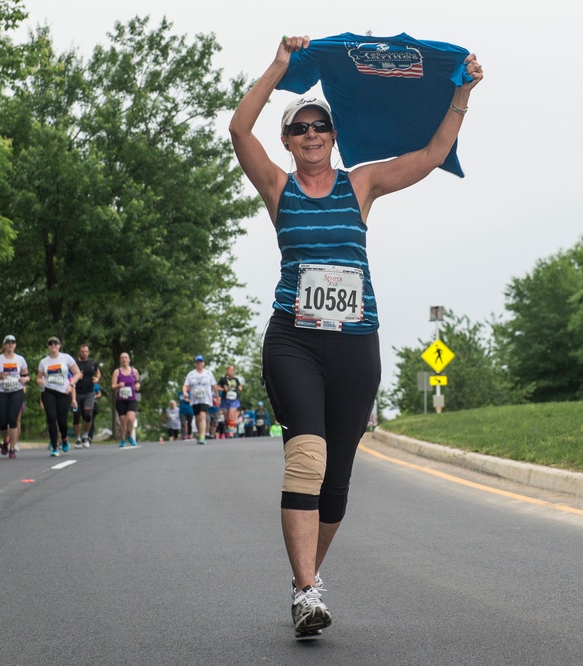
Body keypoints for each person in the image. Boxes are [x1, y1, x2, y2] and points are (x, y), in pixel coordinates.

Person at [229, 35, 482, 638]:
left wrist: (462, 93)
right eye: (301, 128)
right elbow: (240, 130)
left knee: (337, 477)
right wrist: (281, 66)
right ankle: (306, 589)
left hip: (354, 343)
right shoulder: (277, 187)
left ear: (333, 136)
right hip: (294, 338)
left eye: (321, 126)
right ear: (288, 142)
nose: (312, 134)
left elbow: (431, 152)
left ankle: (307, 581)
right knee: (307, 455)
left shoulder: (361, 184)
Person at [37, 337, 82, 456]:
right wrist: (40, 381)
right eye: (50, 344)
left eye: (55, 344)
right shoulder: (43, 362)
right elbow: (39, 377)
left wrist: (71, 385)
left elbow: (77, 373)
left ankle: (64, 438)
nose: (53, 346)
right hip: (48, 391)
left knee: (62, 421)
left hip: (64, 392)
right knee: (51, 418)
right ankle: (55, 447)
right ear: (48, 346)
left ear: (59, 346)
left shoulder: (66, 358)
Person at [0, 334, 30, 459]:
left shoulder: (20, 359)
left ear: (15, 345)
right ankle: (5, 440)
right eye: (8, 343)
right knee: (2, 421)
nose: (10, 345)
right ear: (4, 345)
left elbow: (27, 376)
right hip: (2, 392)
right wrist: (0, 377)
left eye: (12, 343)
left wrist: (25, 380)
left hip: (16, 391)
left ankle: (12, 448)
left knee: (13, 419)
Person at [182, 355, 216, 445]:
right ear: (195, 364)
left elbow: (214, 385)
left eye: (201, 362)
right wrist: (185, 392)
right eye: (197, 362)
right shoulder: (191, 374)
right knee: (197, 418)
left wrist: (217, 396)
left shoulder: (208, 373)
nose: (199, 364)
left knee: (202, 416)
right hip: (195, 399)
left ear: (203, 363)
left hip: (205, 398)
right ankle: (199, 433)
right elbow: (185, 385)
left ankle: (202, 436)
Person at [72, 344, 102, 448]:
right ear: (79, 352)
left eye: (86, 351)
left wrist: (97, 378)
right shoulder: (74, 363)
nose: (84, 353)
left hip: (89, 392)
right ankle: (77, 438)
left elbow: (98, 372)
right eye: (82, 352)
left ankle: (85, 435)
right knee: (76, 416)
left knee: (88, 414)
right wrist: (77, 376)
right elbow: (69, 375)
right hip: (76, 392)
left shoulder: (93, 363)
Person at [112, 352, 141, 447]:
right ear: (120, 360)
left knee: (131, 419)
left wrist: (137, 386)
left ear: (129, 359)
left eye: (126, 357)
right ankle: (123, 439)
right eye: (122, 358)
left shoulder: (134, 371)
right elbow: (112, 386)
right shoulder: (117, 372)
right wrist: (118, 385)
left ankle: (130, 436)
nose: (124, 359)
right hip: (120, 400)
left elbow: (137, 383)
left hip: (131, 398)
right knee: (123, 420)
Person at [217, 365, 244, 438]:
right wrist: (223, 389)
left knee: (232, 415)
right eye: (230, 370)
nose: (231, 372)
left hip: (234, 399)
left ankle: (231, 432)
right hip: (225, 399)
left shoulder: (235, 379)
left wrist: (239, 387)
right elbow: (217, 387)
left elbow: (240, 387)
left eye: (232, 370)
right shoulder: (223, 379)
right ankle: (227, 429)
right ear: (227, 370)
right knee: (227, 417)